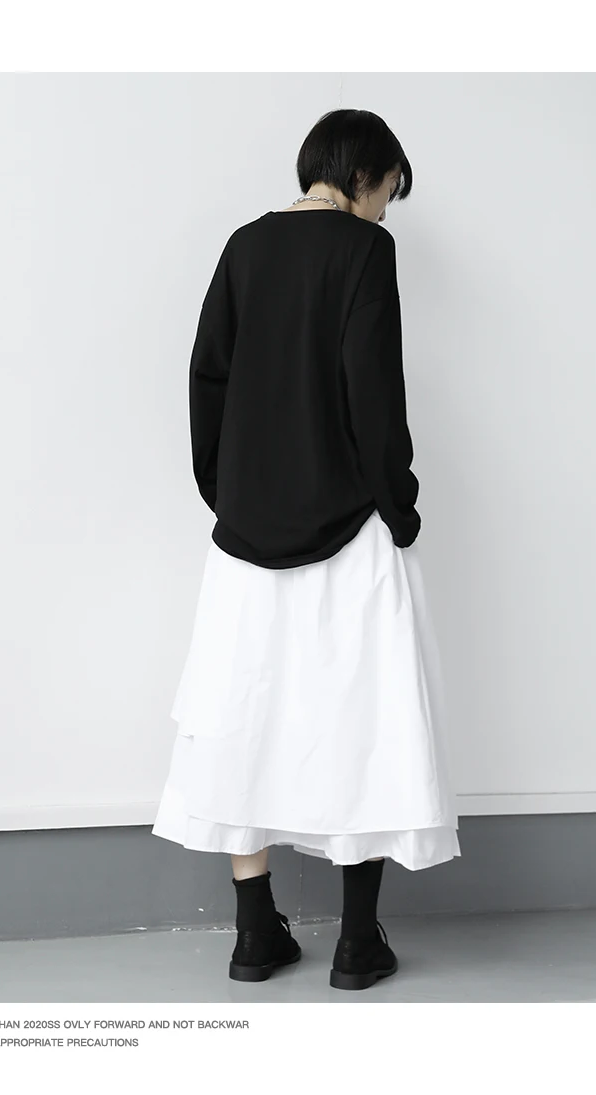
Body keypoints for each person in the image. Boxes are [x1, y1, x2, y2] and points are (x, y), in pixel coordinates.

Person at [152, 107, 460, 991]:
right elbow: (374, 393)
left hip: (244, 539)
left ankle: (256, 934)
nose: (385, 211)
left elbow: (206, 377)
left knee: (240, 717)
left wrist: (227, 491)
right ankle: (358, 943)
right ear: (362, 175)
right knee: (361, 716)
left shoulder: (244, 246)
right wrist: (397, 505)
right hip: (350, 526)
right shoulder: (365, 252)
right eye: (388, 192)